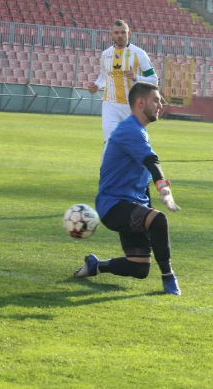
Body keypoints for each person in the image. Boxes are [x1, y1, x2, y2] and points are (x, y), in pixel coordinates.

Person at [73, 82, 182, 295]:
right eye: (156, 100)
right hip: (113, 204)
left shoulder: (138, 130)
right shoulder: (130, 129)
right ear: (140, 103)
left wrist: (148, 207)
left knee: (139, 268)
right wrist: (163, 187)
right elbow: (151, 161)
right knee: (159, 220)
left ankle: (96, 265)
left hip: (131, 203)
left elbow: (142, 177)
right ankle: (169, 277)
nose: (160, 105)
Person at [88, 20, 158, 143]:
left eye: (123, 32)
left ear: (128, 33)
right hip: (110, 105)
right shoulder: (105, 54)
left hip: (132, 107)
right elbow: (104, 77)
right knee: (110, 142)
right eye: (116, 33)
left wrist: (136, 78)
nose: (120, 35)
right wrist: (97, 85)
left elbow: (154, 80)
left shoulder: (139, 54)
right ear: (111, 34)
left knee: (133, 143)